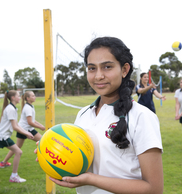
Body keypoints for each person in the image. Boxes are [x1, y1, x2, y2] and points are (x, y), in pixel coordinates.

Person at [36, 37, 163, 193]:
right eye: (92, 68)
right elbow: (78, 159)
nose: (98, 76)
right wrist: (53, 152)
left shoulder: (142, 116)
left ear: (124, 70)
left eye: (107, 67)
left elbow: (154, 189)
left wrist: (91, 179)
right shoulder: (83, 114)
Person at [0, 91, 45, 168]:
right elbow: (30, 122)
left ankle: (3, 163)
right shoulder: (27, 108)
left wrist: (41, 125)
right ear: (28, 98)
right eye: (33, 96)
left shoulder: (30, 106)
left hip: (24, 128)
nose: (35, 97)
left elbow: (32, 120)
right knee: (43, 141)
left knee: (17, 147)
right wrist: (40, 127)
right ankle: (46, 160)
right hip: (25, 130)